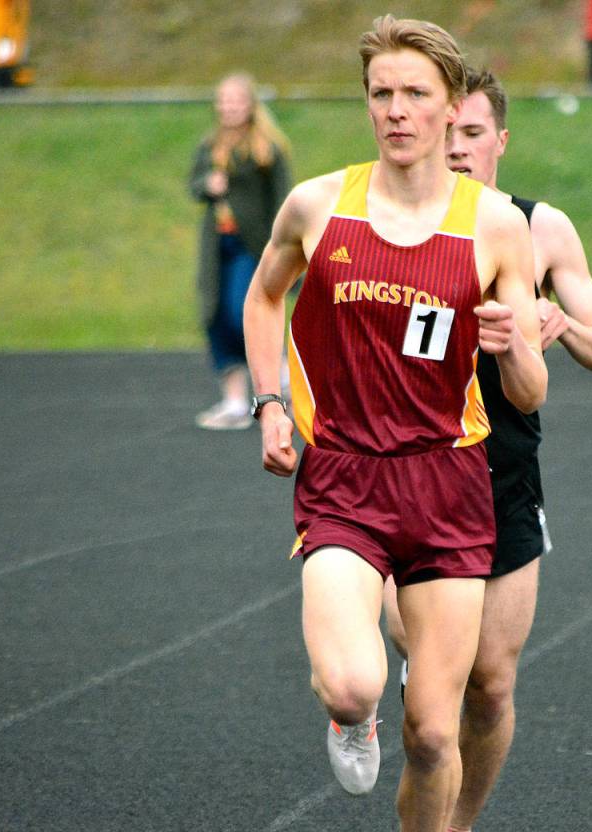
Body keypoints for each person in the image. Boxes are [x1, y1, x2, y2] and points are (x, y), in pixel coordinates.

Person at [243, 17, 547, 831]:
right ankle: (351, 717)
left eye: (416, 94)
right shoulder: (318, 206)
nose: (397, 111)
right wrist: (269, 402)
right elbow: (265, 293)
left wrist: (511, 344)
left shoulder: (494, 225)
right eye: (382, 94)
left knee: (436, 731)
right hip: (344, 477)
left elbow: (527, 391)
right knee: (352, 681)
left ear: (452, 109)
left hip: (449, 483)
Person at [382, 68, 592, 832]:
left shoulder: (541, 228)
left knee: (489, 685)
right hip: (406, 475)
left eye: (473, 134)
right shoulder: (389, 223)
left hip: (504, 481)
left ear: (500, 141)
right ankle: (362, 685)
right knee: (434, 683)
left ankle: (456, 825)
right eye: (446, 133)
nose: (456, 150)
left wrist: (560, 325)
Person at [189, 73, 292, 429]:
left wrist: (284, 245)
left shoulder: (267, 147)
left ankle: (278, 370)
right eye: (224, 100)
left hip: (253, 244)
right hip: (219, 244)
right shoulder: (209, 145)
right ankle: (234, 401)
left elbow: (283, 197)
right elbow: (194, 184)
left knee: (240, 311)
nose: (229, 106)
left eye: (236, 100)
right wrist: (208, 184)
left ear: (249, 105)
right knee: (215, 315)